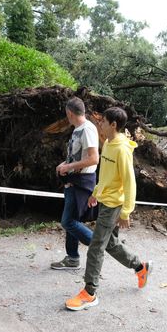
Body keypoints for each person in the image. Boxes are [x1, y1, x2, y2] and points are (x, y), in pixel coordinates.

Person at [65, 107, 152, 311]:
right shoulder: (110, 144)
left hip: (114, 205)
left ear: (114, 124)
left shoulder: (122, 149)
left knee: (96, 246)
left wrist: (126, 212)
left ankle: (90, 292)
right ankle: (140, 267)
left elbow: (130, 182)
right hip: (105, 200)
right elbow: (106, 174)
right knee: (110, 243)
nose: (100, 124)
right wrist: (96, 192)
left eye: (103, 121)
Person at [50, 97, 100, 270]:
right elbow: (78, 155)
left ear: (69, 113)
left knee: (68, 222)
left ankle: (98, 244)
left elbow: (94, 158)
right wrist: (65, 164)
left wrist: (70, 166)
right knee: (73, 220)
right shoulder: (78, 129)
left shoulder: (87, 129)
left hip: (81, 182)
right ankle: (72, 258)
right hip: (72, 180)